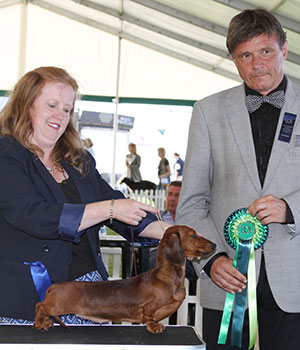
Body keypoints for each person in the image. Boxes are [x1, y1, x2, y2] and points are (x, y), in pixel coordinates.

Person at [0, 66, 171, 325]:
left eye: (67, 109)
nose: (60, 115)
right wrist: (109, 209)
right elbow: (33, 215)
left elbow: (118, 207)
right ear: (26, 105)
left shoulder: (78, 159)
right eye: (52, 105)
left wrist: (175, 232)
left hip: (91, 300)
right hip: (27, 301)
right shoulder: (7, 155)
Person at [176, 8, 300, 350]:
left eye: (266, 52)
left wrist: (291, 208)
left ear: (284, 50)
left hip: (294, 285)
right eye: (245, 55)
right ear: (233, 59)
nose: (257, 64)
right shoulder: (207, 111)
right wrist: (210, 260)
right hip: (227, 280)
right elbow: (191, 203)